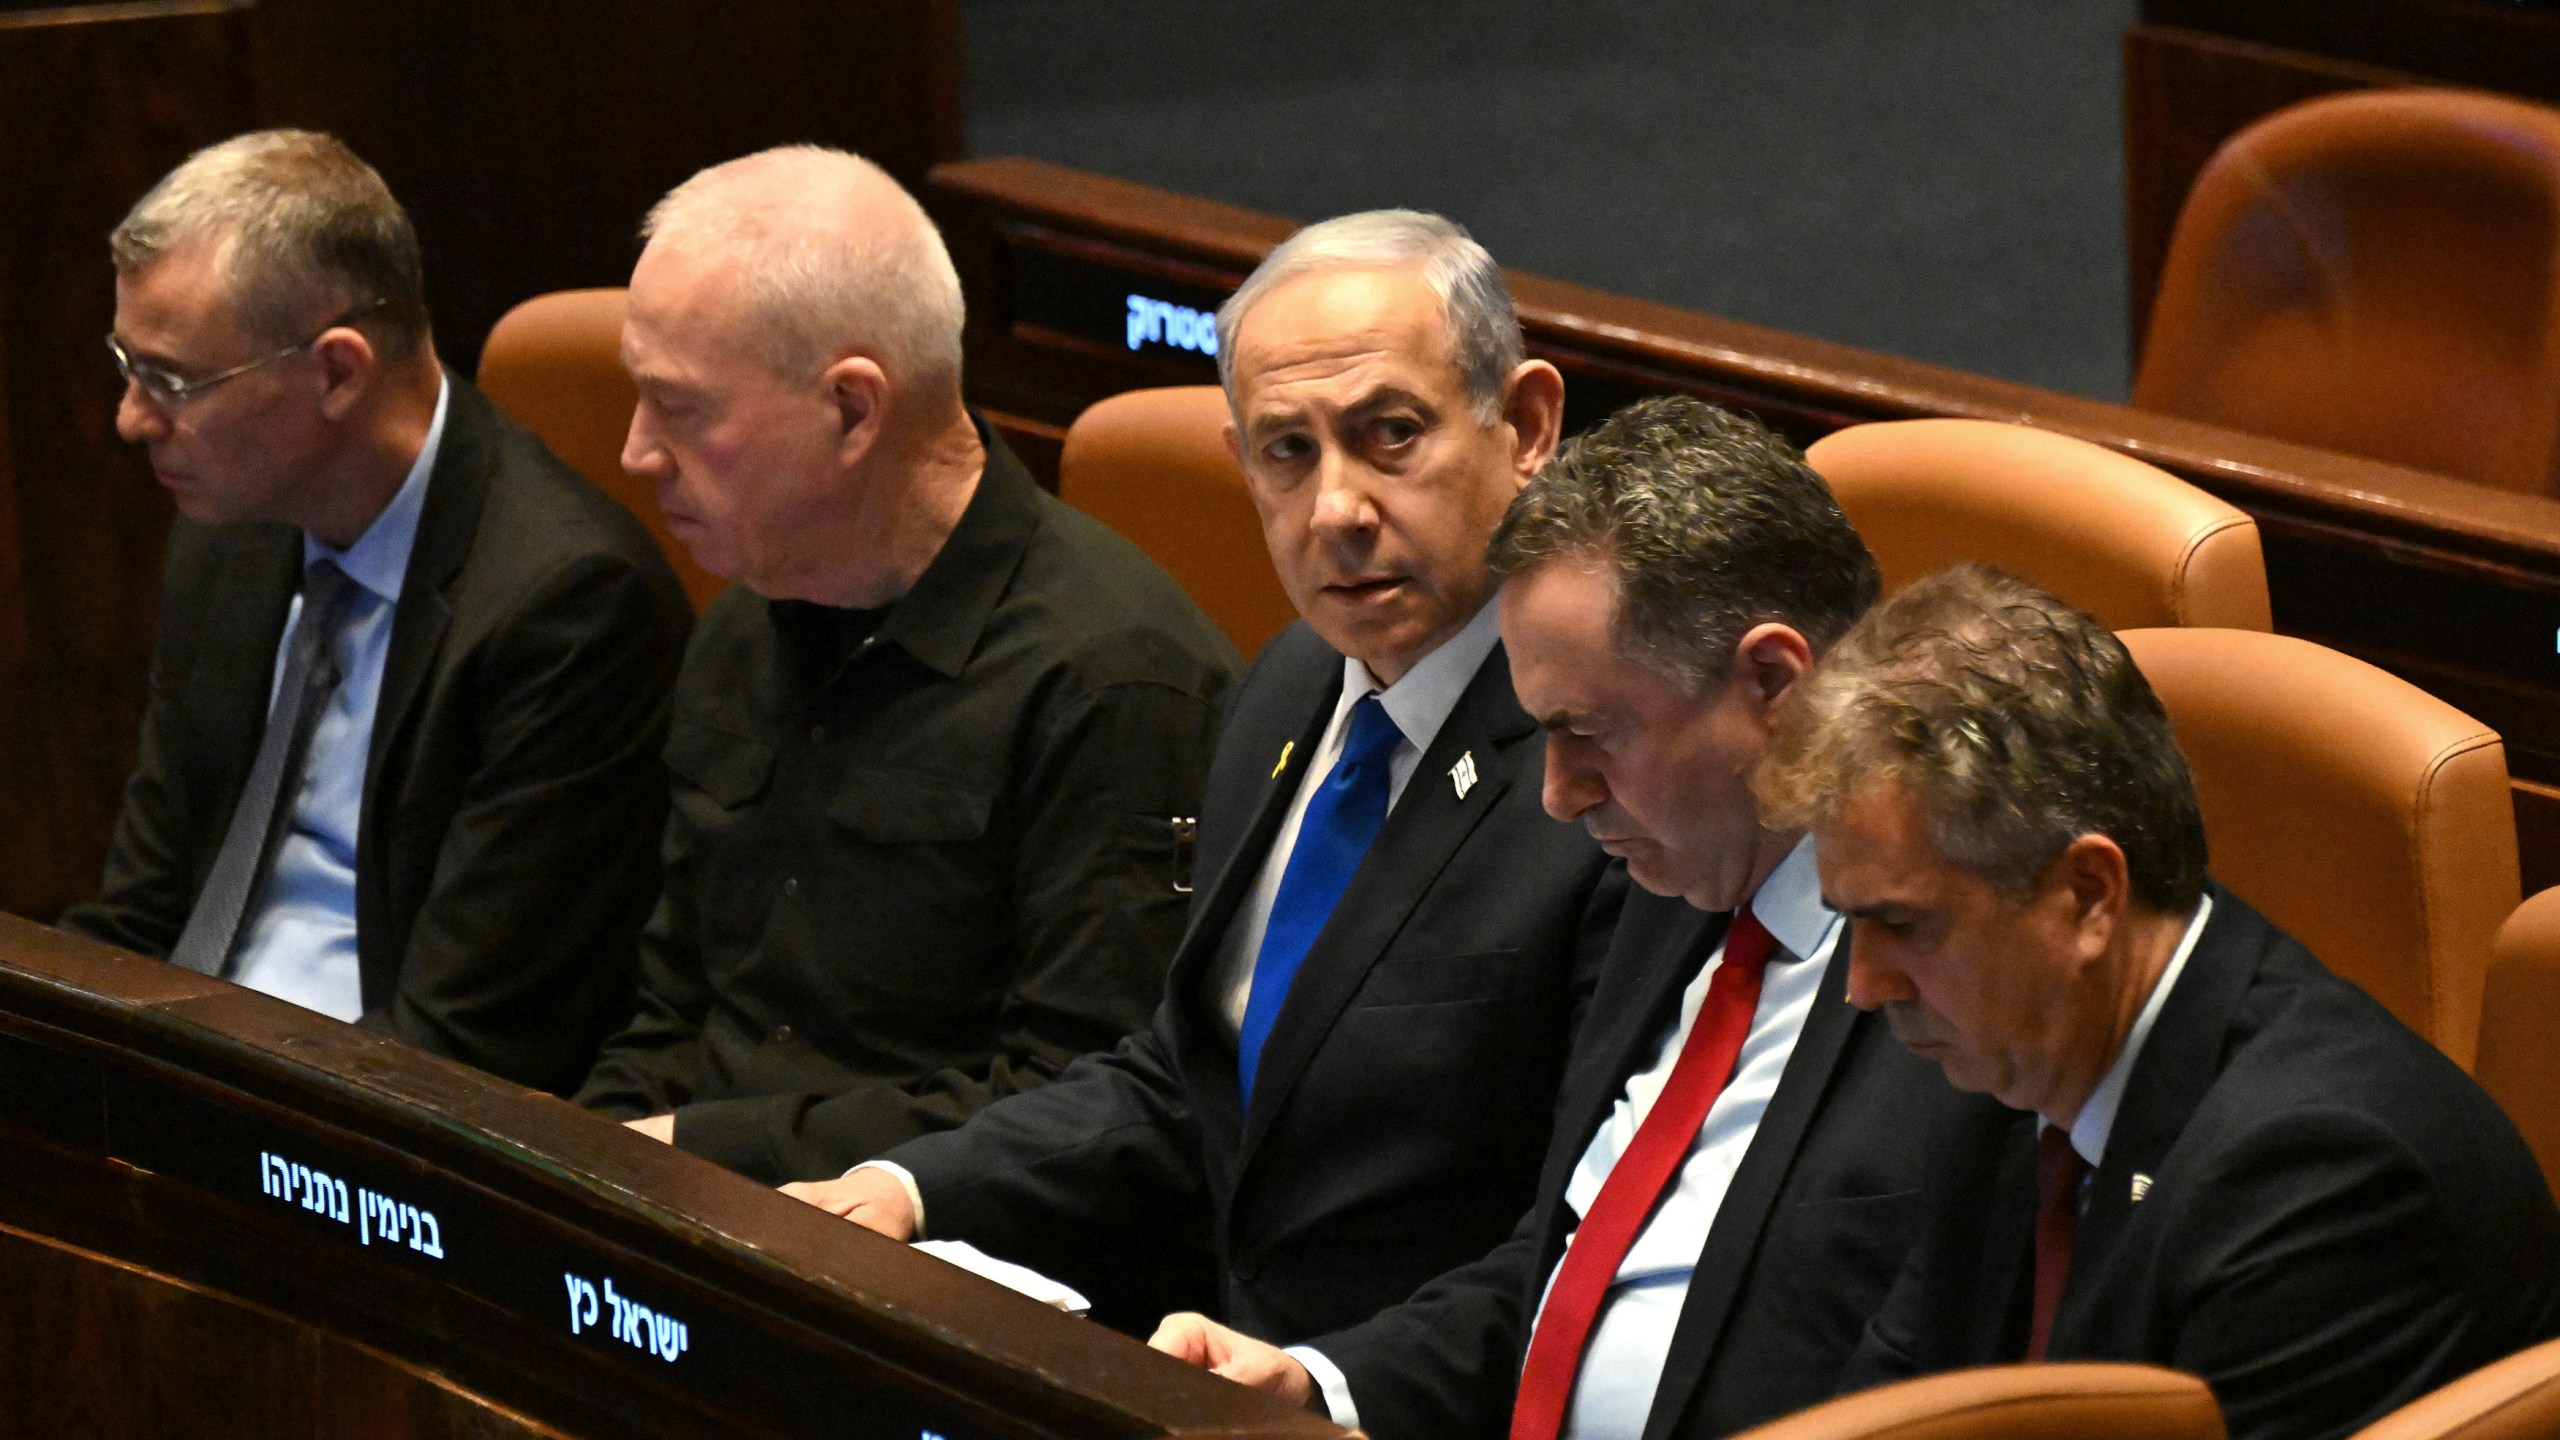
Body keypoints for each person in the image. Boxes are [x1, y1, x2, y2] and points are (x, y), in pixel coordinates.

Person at [779, 209, 1624, 1341]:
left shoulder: (1606, 770)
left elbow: (1586, 1235)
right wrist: (915, 1187)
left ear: (1524, 426)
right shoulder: (1288, 684)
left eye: (1389, 434)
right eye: (1287, 452)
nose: (1336, 510)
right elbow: (1194, 1081)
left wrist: (1331, 1384)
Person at [1151, 396, 1954, 1439]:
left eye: (1590, 734)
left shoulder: (1954, 990)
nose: (1560, 795)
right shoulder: (1680, 887)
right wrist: (1323, 1385)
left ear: (1771, 681)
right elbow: (1564, 1274)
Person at [1753, 565, 2560, 1440]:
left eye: (1902, 924)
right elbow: (1891, 1404)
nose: (1863, 986)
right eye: (1850, 925)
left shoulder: (2327, 1179)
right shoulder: (2016, 1070)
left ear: (2090, 896)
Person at [572, 147, 1240, 1186]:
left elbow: (1086, 1102)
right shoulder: (744, 623)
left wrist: (700, 1151)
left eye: (683, 408)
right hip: (705, 1214)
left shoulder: (1112, 686)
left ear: (852, 409)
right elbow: (673, 1009)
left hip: (947, 1261)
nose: (636, 452)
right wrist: (589, 1160)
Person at [60, 130, 691, 1094]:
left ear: (337, 373)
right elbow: (145, 911)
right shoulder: (228, 533)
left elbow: (467, 1044)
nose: (132, 419)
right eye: (128, 364)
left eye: (172, 381)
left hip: (368, 1123)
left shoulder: (567, 609)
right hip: (184, 1066)